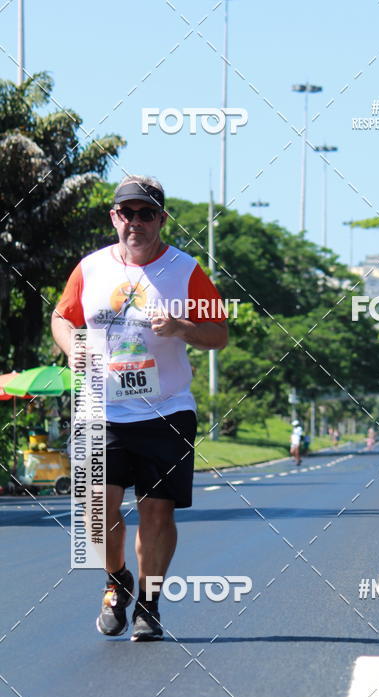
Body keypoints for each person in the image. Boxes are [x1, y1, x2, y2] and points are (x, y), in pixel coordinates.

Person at [51, 175, 228, 641]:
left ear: (161, 220)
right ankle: (117, 580)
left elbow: (219, 335)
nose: (135, 222)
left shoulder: (185, 270)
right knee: (96, 511)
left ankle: (149, 603)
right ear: (114, 217)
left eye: (146, 213)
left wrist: (181, 327)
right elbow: (61, 317)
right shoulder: (89, 268)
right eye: (126, 213)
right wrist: (73, 346)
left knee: (157, 514)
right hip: (100, 406)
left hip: (166, 409)